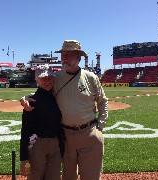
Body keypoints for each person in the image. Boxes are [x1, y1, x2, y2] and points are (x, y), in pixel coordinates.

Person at [21, 40, 108, 180]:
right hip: (65, 137)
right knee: (68, 176)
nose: (65, 57)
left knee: (91, 176)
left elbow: (103, 102)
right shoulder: (56, 77)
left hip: (90, 133)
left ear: (79, 57)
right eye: (63, 54)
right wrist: (25, 98)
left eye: (70, 54)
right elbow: (42, 90)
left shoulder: (91, 78)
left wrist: (100, 125)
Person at [20, 64, 63, 180]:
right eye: (43, 78)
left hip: (55, 144)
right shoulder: (32, 101)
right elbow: (25, 130)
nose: (47, 81)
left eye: (49, 77)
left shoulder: (58, 97)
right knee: (35, 177)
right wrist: (23, 158)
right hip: (37, 145)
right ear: (36, 79)